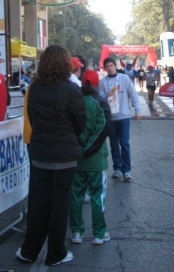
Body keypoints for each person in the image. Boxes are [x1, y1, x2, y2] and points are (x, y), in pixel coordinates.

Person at [16, 44, 87, 266]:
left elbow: (32, 117)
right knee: (59, 206)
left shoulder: (34, 88)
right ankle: (55, 253)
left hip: (39, 154)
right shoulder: (71, 89)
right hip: (64, 156)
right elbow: (80, 122)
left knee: (39, 203)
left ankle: (29, 251)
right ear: (66, 63)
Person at [69, 69, 111, 245]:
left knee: (76, 196)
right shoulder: (100, 102)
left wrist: (79, 148)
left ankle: (76, 232)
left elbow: (69, 127)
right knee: (97, 196)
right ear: (97, 84)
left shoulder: (73, 101)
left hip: (76, 158)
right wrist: (88, 148)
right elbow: (102, 128)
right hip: (96, 159)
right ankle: (98, 234)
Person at [99, 57, 141, 181]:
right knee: (113, 144)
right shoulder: (103, 82)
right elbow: (100, 99)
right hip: (111, 118)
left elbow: (133, 94)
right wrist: (106, 96)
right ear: (104, 68)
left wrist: (137, 110)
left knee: (125, 143)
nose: (109, 68)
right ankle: (117, 168)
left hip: (124, 116)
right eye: (107, 66)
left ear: (115, 66)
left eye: (111, 65)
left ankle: (126, 170)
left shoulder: (124, 78)